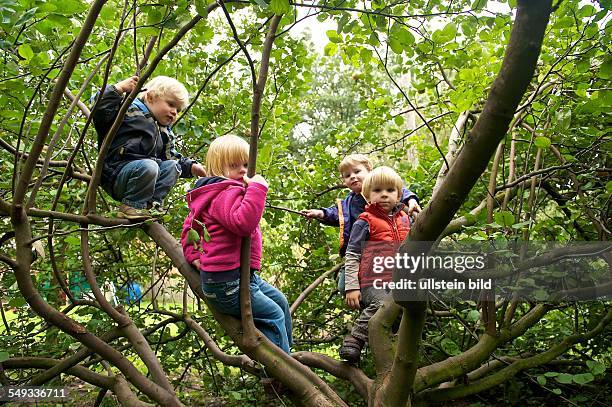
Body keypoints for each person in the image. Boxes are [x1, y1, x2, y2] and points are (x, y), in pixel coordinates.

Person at [180, 135, 292, 353]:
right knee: (273, 314)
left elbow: (189, 228)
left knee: (281, 302)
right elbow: (243, 223)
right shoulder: (225, 192)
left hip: (242, 278)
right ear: (216, 167)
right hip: (228, 285)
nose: (242, 170)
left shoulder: (209, 194)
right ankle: (278, 373)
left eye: (246, 165)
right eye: (234, 165)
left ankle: (287, 355)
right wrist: (258, 189)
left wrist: (193, 255)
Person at [92, 75, 206, 220]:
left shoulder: (164, 131)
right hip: (117, 173)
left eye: (178, 109)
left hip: (145, 177)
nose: (174, 112)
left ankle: (151, 206)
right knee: (150, 166)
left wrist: (192, 167)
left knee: (173, 166)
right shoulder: (128, 110)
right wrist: (119, 88)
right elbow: (100, 108)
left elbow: (171, 156)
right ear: (151, 97)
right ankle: (131, 206)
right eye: (171, 104)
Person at [301, 154, 420, 292]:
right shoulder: (349, 203)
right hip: (363, 251)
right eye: (347, 175)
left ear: (369, 170)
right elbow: (337, 215)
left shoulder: (384, 188)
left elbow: (401, 191)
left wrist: (411, 200)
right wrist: (320, 213)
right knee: (344, 285)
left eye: (357, 172)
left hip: (387, 246)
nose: (352, 176)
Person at [338, 166, 412, 363]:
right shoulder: (365, 221)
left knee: (406, 309)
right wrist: (351, 287)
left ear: (399, 195)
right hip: (373, 281)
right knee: (382, 303)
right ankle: (355, 338)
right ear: (368, 196)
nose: (384, 195)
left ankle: (394, 349)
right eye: (378, 191)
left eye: (390, 190)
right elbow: (352, 255)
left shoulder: (405, 219)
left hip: (398, 282)